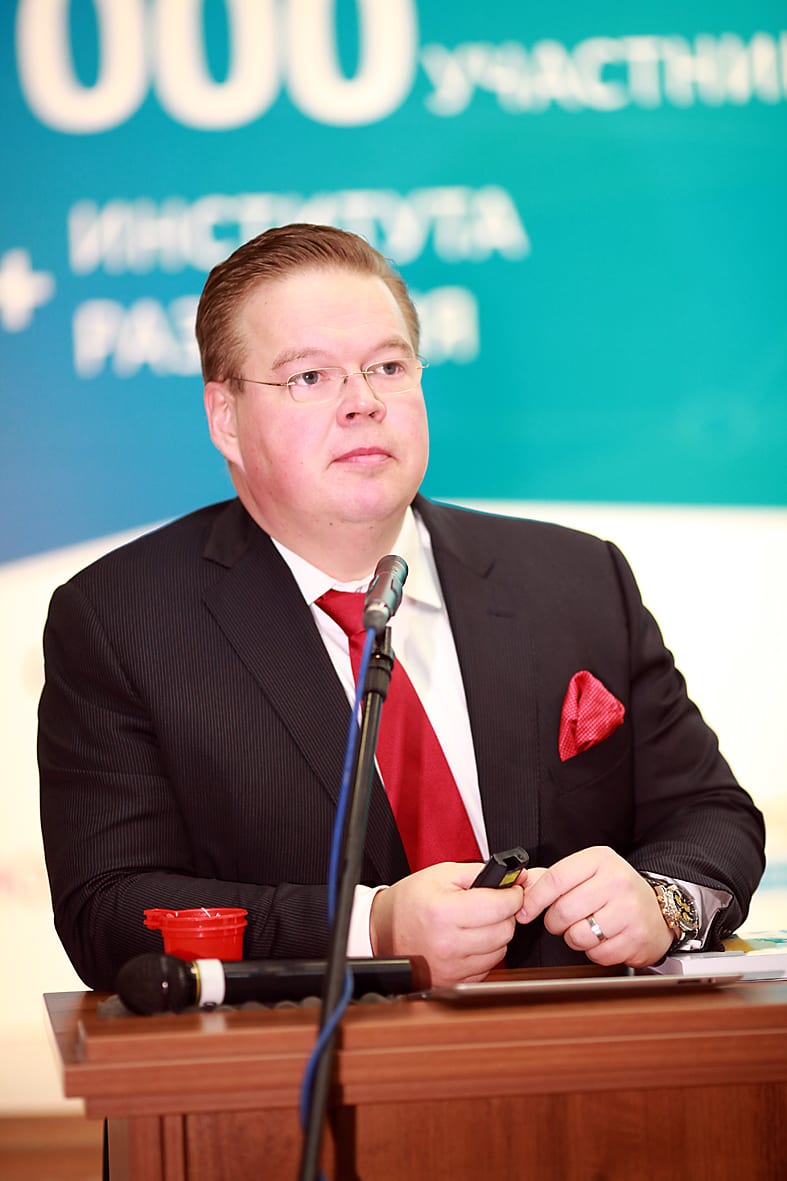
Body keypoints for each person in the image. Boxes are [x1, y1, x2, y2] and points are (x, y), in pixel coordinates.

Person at [38, 223, 765, 993]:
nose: (363, 403)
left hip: (583, 1052)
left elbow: (712, 813)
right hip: (308, 1060)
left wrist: (660, 900)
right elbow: (108, 908)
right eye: (310, 377)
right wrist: (371, 927)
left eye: (386, 366)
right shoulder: (122, 621)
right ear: (225, 417)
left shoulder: (577, 578)